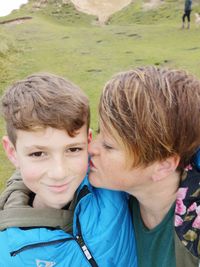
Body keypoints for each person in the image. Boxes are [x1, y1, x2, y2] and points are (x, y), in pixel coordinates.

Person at [0, 73, 137, 266]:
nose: (59, 172)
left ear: (88, 142)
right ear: (12, 152)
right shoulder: (6, 251)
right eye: (38, 154)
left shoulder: (111, 182)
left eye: (73, 149)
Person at [88, 66, 200, 267]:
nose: (90, 148)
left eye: (108, 145)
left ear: (163, 166)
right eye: (98, 132)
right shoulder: (101, 194)